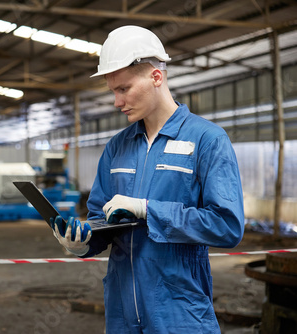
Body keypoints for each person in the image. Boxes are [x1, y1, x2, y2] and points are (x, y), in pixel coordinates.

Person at [51, 25, 244, 333]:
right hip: (122, 313)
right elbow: (102, 219)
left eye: (123, 89)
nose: (117, 102)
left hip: (179, 312)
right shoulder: (117, 147)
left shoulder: (207, 140)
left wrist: (147, 209)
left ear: (156, 77)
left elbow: (227, 226)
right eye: (113, 91)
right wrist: (81, 242)